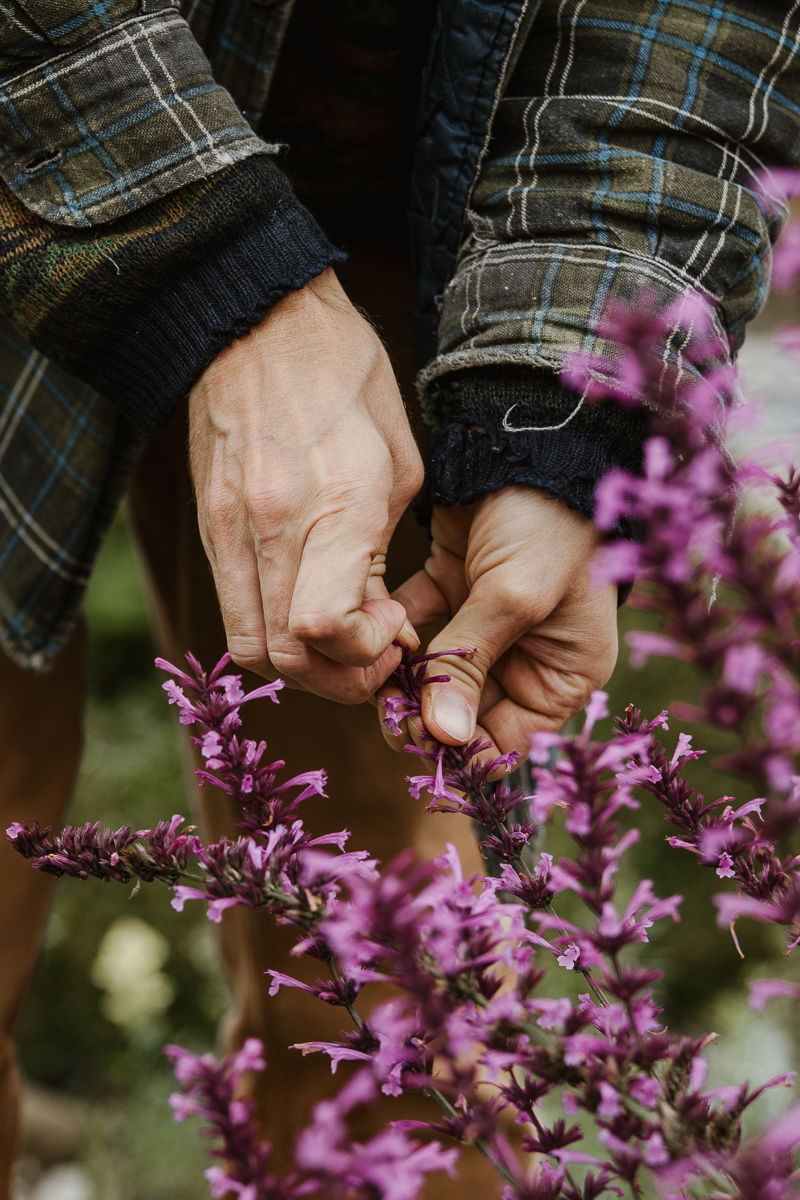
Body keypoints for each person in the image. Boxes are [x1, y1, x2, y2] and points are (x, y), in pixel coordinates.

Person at [0, 0, 796, 1194]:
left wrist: (551, 410)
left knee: (405, 1038)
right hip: (48, 122)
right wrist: (223, 282)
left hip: (415, 206)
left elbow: (691, 38)